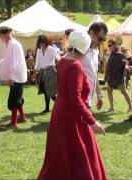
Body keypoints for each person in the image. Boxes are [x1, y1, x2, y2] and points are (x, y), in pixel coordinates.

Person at [38, 30, 108, 180]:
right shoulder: (75, 65)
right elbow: (75, 98)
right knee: (78, 152)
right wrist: (92, 121)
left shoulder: (63, 60)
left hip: (61, 111)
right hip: (71, 115)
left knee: (63, 153)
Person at [0, 26, 27, 129]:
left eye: (0, 35)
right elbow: (6, 59)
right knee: (18, 97)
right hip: (17, 76)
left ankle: (14, 123)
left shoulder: (14, 44)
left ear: (6, 34)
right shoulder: (10, 44)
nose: (0, 37)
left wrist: (12, 77)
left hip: (17, 76)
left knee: (14, 99)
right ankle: (22, 117)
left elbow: (16, 62)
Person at [81, 22, 107, 110]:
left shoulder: (96, 51)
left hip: (88, 99)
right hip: (79, 99)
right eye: (100, 39)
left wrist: (99, 95)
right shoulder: (79, 49)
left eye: (104, 40)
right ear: (91, 33)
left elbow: (94, 74)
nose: (101, 42)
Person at [33, 35, 60, 113]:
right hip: (42, 72)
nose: (41, 44)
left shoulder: (51, 49)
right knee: (45, 91)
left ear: (46, 42)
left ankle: (59, 105)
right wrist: (35, 73)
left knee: (50, 91)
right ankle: (47, 108)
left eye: (43, 42)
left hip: (50, 71)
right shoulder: (39, 50)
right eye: (40, 43)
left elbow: (58, 58)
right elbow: (37, 62)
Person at [105, 40, 132, 112]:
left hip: (119, 76)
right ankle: (111, 107)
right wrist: (106, 76)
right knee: (109, 90)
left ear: (114, 45)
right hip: (111, 76)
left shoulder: (119, 54)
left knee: (123, 91)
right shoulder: (110, 55)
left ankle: (131, 107)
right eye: (108, 45)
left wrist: (126, 67)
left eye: (110, 45)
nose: (109, 47)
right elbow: (108, 66)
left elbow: (126, 62)